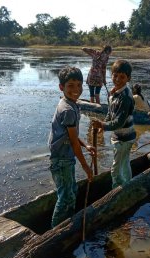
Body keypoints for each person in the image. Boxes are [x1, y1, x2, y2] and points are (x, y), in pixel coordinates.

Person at [48, 66, 96, 228]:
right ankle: (55, 231)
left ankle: (68, 221)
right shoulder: (68, 109)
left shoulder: (71, 103)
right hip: (62, 159)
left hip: (65, 157)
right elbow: (74, 142)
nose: (76, 90)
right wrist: (86, 167)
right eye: (70, 86)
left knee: (71, 191)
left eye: (79, 85)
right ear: (61, 87)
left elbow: (73, 136)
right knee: (65, 197)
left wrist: (87, 145)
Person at [92, 59, 136, 188]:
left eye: (122, 77)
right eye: (115, 76)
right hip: (122, 137)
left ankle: (117, 191)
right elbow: (110, 113)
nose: (117, 79)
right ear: (111, 75)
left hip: (124, 138)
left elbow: (118, 122)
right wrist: (104, 123)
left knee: (115, 169)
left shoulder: (125, 97)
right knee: (124, 163)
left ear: (128, 78)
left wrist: (102, 125)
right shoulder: (114, 93)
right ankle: (128, 184)